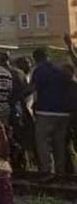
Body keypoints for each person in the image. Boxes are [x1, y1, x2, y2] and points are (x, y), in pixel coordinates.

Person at [31, 48, 70, 176]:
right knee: (59, 142)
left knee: (42, 141)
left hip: (45, 111)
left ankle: (47, 171)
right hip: (64, 112)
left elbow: (32, 88)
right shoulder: (60, 70)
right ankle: (61, 171)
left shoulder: (39, 70)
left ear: (36, 59)